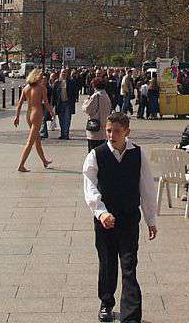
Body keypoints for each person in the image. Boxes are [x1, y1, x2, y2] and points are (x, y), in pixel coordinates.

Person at [83, 112, 157, 323]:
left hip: (129, 217)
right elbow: (89, 186)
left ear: (127, 131)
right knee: (107, 263)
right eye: (108, 131)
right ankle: (106, 303)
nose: (111, 135)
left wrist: (151, 219)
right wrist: (101, 212)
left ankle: (131, 316)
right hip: (105, 220)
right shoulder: (96, 155)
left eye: (116, 131)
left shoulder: (138, 154)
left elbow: (147, 188)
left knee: (129, 264)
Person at [13, 68, 55, 171]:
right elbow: (46, 102)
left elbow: (19, 103)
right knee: (30, 141)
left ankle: (44, 161)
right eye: (40, 76)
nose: (42, 78)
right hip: (37, 114)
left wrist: (17, 116)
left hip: (28, 114)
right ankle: (21, 165)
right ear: (36, 77)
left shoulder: (26, 88)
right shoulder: (42, 88)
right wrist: (52, 112)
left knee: (37, 139)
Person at [83, 78, 113, 152]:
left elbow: (88, 109)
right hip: (104, 126)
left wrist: (85, 103)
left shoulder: (96, 96)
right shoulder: (106, 96)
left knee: (93, 152)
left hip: (95, 127)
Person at [52, 67, 77, 140]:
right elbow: (54, 94)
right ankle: (62, 134)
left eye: (65, 72)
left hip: (68, 103)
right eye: (62, 72)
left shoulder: (71, 82)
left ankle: (66, 134)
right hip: (59, 103)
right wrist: (53, 105)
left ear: (67, 74)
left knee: (67, 119)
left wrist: (73, 100)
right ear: (60, 73)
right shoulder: (57, 82)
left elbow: (75, 92)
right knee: (61, 119)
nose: (63, 74)